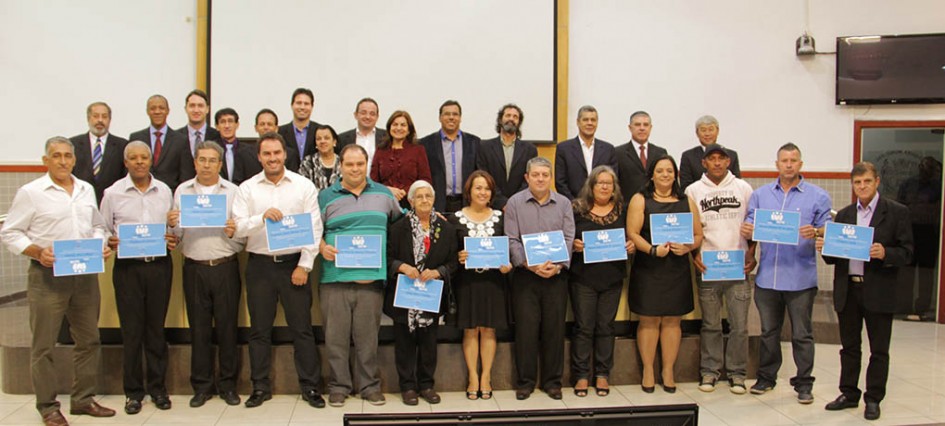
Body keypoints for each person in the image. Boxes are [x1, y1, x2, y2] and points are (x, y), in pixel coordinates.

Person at [1, 137, 116, 426]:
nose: (63, 161)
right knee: (44, 345)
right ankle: (48, 406)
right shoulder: (31, 192)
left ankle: (83, 399)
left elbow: (98, 226)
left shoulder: (86, 190)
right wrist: (37, 251)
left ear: (75, 160)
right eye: (56, 156)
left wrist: (101, 243)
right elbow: (10, 233)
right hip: (47, 277)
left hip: (85, 276)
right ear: (46, 160)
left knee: (88, 339)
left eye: (67, 156)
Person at [232, 132, 325, 409]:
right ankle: (260, 387)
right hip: (259, 266)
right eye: (267, 154)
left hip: (293, 266)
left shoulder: (303, 186)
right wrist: (260, 219)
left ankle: (310, 387)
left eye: (277, 153)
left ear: (284, 154)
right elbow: (236, 227)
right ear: (259, 157)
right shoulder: (247, 189)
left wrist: (304, 266)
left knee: (302, 329)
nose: (272, 158)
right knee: (259, 330)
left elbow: (314, 227)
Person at [817, 161, 913, 421]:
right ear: (853, 185)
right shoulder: (845, 214)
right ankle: (849, 393)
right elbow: (836, 257)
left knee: (879, 349)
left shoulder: (896, 212)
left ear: (877, 181)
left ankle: (873, 398)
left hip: (879, 290)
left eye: (867, 181)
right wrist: (825, 248)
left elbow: (907, 252)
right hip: (849, 290)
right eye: (857, 183)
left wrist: (886, 253)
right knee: (849, 347)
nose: (862, 187)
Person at [741, 142, 831, 404]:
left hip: (801, 276)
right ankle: (767, 377)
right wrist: (748, 234)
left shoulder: (818, 196)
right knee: (769, 331)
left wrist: (816, 231)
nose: (789, 164)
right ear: (777, 164)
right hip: (768, 276)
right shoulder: (761, 195)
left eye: (793, 160)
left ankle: (804, 383)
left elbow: (828, 228)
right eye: (784, 160)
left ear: (800, 164)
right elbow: (751, 227)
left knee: (802, 333)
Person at [318, 144, 403, 407]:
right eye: (349, 164)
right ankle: (339, 386)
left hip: (371, 281)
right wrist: (321, 246)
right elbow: (312, 231)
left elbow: (401, 227)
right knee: (336, 338)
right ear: (340, 166)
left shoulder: (383, 194)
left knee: (368, 338)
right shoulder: (325, 196)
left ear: (366, 165)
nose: (355, 169)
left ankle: (369, 386)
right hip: (335, 279)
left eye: (360, 164)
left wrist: (430, 219)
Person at [167, 141, 246, 408]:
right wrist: (173, 225)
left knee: (227, 330)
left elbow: (241, 233)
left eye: (213, 160)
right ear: (195, 162)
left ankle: (227, 386)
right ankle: (201, 386)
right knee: (198, 330)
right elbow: (176, 238)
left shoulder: (234, 192)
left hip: (225, 266)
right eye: (202, 159)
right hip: (194, 268)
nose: (207, 165)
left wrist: (233, 232)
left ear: (220, 164)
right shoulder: (182, 191)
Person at [99, 141, 174, 414]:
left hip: (159, 267)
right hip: (128, 269)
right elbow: (103, 228)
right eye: (134, 158)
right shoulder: (113, 193)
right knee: (131, 332)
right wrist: (111, 240)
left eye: (144, 157)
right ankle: (133, 393)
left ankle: (158, 389)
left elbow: (173, 228)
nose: (140, 162)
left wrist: (172, 237)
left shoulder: (164, 191)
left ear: (150, 161)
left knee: (156, 330)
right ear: (126, 161)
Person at [627, 154, 703, 394]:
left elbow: (698, 234)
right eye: (660, 171)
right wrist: (651, 249)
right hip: (650, 266)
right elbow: (633, 233)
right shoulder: (640, 200)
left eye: (669, 171)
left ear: (676, 174)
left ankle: (668, 370)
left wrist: (689, 246)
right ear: (652, 174)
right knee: (649, 320)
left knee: (672, 320)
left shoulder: (686, 200)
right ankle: (648, 370)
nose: (665, 175)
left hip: (676, 269)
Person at [684, 144, 755, 394]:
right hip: (708, 266)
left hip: (738, 268)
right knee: (711, 324)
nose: (716, 163)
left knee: (739, 325)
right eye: (711, 159)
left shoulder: (743, 188)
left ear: (728, 162)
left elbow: (752, 224)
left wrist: (752, 254)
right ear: (704, 163)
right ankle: (709, 372)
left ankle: (737, 373)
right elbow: (689, 229)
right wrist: (694, 256)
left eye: (721, 159)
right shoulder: (692, 191)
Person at [505, 156, 575, 400]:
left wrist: (557, 266)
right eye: (536, 175)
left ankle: (552, 382)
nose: (541, 179)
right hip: (526, 276)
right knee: (526, 330)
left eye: (545, 175)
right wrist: (529, 264)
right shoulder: (514, 203)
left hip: (556, 276)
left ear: (551, 177)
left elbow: (568, 238)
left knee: (554, 330)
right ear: (527, 177)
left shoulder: (564, 203)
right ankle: (525, 382)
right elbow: (512, 239)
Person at [385, 180, 459, 406]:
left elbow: (455, 260)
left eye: (428, 196)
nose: (424, 200)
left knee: (428, 343)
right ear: (411, 201)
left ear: (434, 199)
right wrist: (401, 266)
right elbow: (386, 258)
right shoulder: (398, 228)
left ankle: (426, 385)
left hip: (431, 296)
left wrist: (439, 271)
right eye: (419, 196)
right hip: (404, 295)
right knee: (405, 343)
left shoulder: (446, 228)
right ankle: (407, 387)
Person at [568, 166, 634, 397]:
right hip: (583, 278)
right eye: (600, 182)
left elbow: (632, 236)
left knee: (606, 327)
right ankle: (582, 375)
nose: (604, 186)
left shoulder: (622, 211)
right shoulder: (577, 209)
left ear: (614, 188)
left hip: (612, 278)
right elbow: (566, 236)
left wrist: (631, 245)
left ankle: (603, 375)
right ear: (591, 186)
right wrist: (573, 245)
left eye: (609, 183)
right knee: (584, 328)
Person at [449, 170, 512, 400]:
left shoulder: (501, 217)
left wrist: (508, 265)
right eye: (478, 187)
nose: (482, 192)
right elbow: (449, 252)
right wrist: (459, 256)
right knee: (470, 329)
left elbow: (509, 248)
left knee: (488, 329)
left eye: (486, 188)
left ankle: (486, 376)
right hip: (467, 283)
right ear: (469, 191)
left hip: (493, 282)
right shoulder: (455, 218)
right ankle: (472, 377)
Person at [420, 100, 482, 213]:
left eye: (455, 114)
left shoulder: (474, 142)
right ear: (440, 118)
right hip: (437, 204)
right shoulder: (425, 144)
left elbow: (479, 173)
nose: (451, 117)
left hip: (467, 203)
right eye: (447, 114)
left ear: (460, 118)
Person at [129, 94, 196, 193]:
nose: (157, 111)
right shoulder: (136, 138)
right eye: (153, 108)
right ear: (147, 111)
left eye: (161, 108)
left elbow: (186, 176)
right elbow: (130, 170)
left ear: (168, 111)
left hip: (170, 197)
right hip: (140, 195)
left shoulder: (181, 140)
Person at [477, 104, 538, 209]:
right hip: (490, 205)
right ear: (500, 120)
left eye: (515, 117)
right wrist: (502, 203)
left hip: (520, 206)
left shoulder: (530, 150)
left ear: (519, 122)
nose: (511, 119)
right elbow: (484, 176)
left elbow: (529, 179)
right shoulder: (484, 147)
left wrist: (514, 202)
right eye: (508, 115)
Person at [369, 110, 432, 209]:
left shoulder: (418, 150)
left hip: (411, 204)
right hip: (384, 203)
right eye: (395, 124)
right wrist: (387, 190)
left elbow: (425, 180)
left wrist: (405, 191)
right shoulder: (381, 150)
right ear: (389, 128)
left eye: (403, 125)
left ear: (409, 130)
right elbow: (373, 181)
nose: (398, 128)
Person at [554, 105, 617, 200]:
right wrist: (574, 204)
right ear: (578, 122)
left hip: (601, 206)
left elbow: (613, 180)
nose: (589, 123)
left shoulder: (608, 149)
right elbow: (560, 182)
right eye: (585, 120)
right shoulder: (564, 148)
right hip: (574, 206)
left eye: (593, 120)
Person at [70, 101, 129, 204]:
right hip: (80, 203)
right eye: (96, 116)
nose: (100, 120)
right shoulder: (73, 144)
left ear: (110, 120)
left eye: (104, 117)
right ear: (88, 119)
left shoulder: (122, 145)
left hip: (112, 204)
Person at [678, 115, 741, 191]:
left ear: (717, 131)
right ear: (697, 133)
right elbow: (685, 186)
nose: (707, 134)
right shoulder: (688, 156)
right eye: (703, 130)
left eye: (711, 129)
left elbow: (737, 184)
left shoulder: (731, 155)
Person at [615, 111, 667, 203]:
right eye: (638, 125)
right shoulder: (618, 153)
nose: (642, 128)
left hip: (656, 207)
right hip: (627, 207)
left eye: (646, 125)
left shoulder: (660, 153)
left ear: (650, 128)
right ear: (630, 128)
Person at [336, 97, 388, 172]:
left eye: (372, 114)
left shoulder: (386, 137)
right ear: (355, 115)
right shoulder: (342, 139)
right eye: (363, 113)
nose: (367, 117)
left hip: (379, 183)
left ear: (377, 117)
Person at [277, 87, 320, 172]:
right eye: (299, 103)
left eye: (306, 104)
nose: (302, 107)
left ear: (312, 106)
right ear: (292, 105)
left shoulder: (320, 131)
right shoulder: (279, 132)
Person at [213, 107, 253, 185]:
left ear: (237, 125)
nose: (227, 126)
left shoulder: (249, 151)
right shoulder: (211, 150)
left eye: (230, 121)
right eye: (223, 122)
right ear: (217, 126)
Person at [299, 124, 342, 190]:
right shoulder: (307, 162)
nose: (322, 141)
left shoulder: (343, 162)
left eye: (326, 138)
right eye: (319, 139)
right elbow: (302, 188)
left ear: (334, 142)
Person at [178, 89, 221, 154]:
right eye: (192, 106)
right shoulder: (176, 138)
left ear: (207, 109)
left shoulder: (218, 136)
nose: (196, 110)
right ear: (186, 109)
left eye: (200, 106)